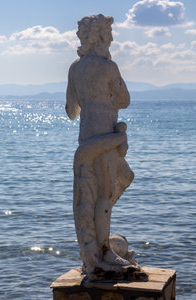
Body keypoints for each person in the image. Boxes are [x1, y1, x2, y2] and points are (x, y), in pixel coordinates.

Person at [66, 14, 137, 280]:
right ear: (100, 37)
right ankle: (105, 251)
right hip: (105, 137)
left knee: (121, 179)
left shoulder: (75, 68)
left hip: (87, 138)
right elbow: (125, 99)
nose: (112, 38)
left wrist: (89, 96)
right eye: (109, 34)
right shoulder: (109, 67)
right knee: (104, 194)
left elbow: (71, 110)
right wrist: (105, 101)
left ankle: (98, 234)